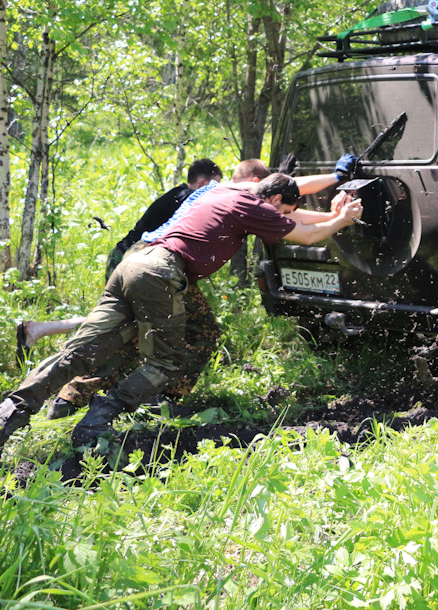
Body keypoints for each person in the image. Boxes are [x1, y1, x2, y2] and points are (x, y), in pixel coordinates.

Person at [0, 162, 362, 456]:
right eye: (282, 209)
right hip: (161, 273)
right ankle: (98, 420)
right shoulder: (253, 207)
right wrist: (341, 220)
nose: (283, 216)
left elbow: (294, 207)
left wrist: (333, 186)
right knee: (167, 360)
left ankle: (11, 411)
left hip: (134, 262)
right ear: (274, 198)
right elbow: (306, 233)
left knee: (81, 351)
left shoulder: (229, 189)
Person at [42, 158, 276, 420]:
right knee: (192, 333)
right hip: (155, 265)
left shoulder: (199, 194)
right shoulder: (218, 195)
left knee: (130, 331)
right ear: (254, 183)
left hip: (138, 260)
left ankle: (72, 396)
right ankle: (160, 397)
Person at [15, 159, 224, 364]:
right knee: (117, 321)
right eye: (215, 185)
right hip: (134, 259)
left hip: (127, 257)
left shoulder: (177, 195)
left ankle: (39, 331)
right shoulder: (188, 199)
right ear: (204, 184)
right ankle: (65, 359)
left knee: (119, 318)